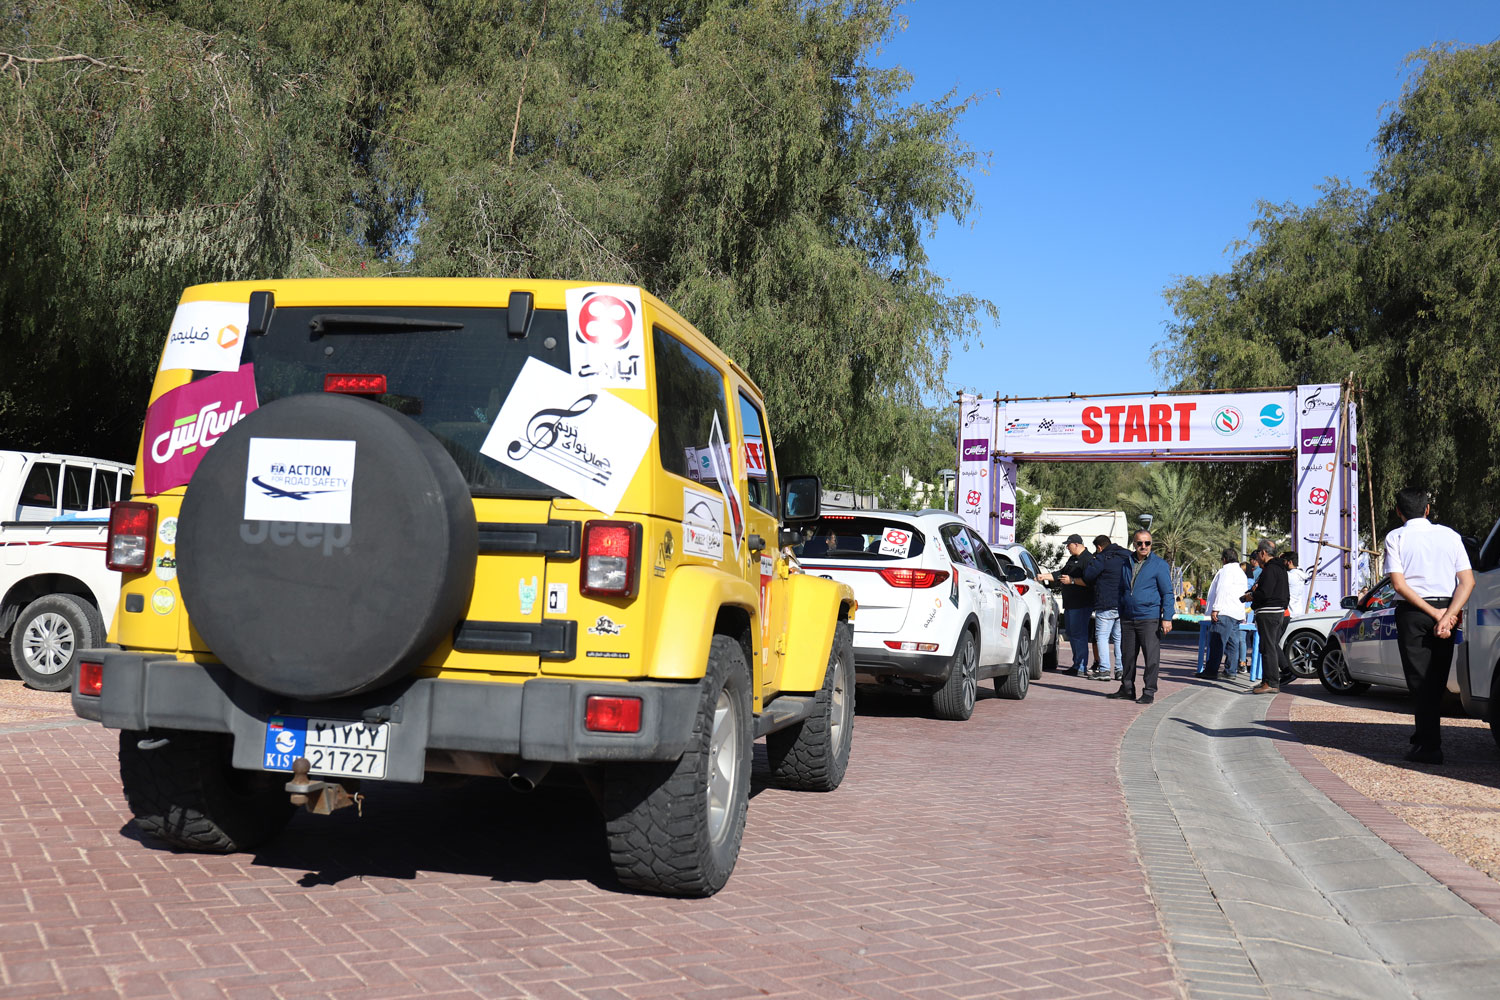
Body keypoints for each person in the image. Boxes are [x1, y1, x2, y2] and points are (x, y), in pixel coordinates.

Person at [1384, 488, 1474, 765]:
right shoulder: (1450, 535)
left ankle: (1430, 746)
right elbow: (1467, 581)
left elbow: (1398, 584)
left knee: (1419, 680)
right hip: (1449, 609)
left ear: (1399, 512)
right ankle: (1424, 737)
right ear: (1427, 509)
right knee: (1435, 680)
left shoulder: (1395, 537)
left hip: (1414, 611)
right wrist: (1448, 615)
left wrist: (1434, 613)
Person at [1107, 529, 1174, 704]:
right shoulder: (1126, 563)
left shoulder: (1159, 565)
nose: (1143, 546)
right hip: (1128, 618)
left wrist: (1167, 617)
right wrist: (1121, 611)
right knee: (1127, 656)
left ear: (1151, 544)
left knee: (1151, 658)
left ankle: (1149, 691)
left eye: (1147, 543)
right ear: (1134, 544)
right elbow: (1122, 589)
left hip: (1149, 617)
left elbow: (1167, 593)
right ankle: (1127, 688)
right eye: (1139, 543)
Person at [1244, 541, 1291, 694]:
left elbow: (1265, 593)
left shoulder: (1271, 569)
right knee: (1266, 646)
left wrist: (1251, 596)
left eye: (1257, 553)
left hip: (1269, 612)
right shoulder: (1280, 569)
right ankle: (1267, 680)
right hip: (1276, 611)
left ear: (1263, 552)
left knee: (1268, 647)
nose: (1257, 556)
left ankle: (1271, 682)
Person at [1046, 534, 1094, 676]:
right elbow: (1062, 573)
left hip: (1081, 604)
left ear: (1076, 544)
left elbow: (1090, 581)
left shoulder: (1088, 560)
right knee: (1072, 634)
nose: (1067, 548)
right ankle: (1076, 663)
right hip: (1071, 604)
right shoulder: (1073, 559)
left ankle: (1081, 666)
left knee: (1079, 635)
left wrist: (1072, 580)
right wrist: (1044, 576)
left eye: (1069, 545)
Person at [1084, 534, 1129, 682]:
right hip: (1123, 603)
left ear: (1099, 547)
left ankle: (1104, 670)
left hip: (1106, 603)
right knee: (1118, 637)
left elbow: (1088, 576)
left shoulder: (1103, 557)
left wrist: (1093, 561)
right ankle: (1120, 670)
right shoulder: (1125, 555)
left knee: (1102, 636)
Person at [1203, 547, 1248, 680]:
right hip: (1237, 612)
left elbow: (1222, 589)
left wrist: (1216, 608)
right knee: (1233, 643)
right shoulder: (1241, 572)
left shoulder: (1226, 571)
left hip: (1225, 611)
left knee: (1217, 642)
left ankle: (1211, 671)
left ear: (1224, 559)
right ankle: (1230, 671)